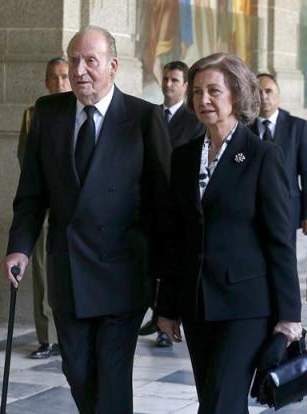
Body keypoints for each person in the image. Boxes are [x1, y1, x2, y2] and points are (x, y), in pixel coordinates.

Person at [1, 26, 170, 414]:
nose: (79, 70)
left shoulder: (143, 118)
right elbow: (32, 193)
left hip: (124, 275)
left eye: (90, 61)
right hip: (69, 273)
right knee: (77, 370)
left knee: (112, 379)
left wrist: (165, 285)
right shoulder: (48, 113)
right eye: (74, 60)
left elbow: (163, 207)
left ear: (112, 67)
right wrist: (19, 247)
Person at [156, 52, 302, 414]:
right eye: (198, 91)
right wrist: (167, 307)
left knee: (219, 403)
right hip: (197, 305)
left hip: (246, 306)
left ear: (236, 95)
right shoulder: (185, 156)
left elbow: (280, 239)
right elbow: (177, 236)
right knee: (216, 400)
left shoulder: (261, 155)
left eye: (214, 91)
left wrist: (289, 316)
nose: (203, 100)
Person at [139, 60, 204, 348]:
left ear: (185, 86)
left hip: (177, 201)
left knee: (171, 262)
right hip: (150, 204)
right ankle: (155, 313)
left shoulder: (194, 121)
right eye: (165, 79)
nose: (167, 84)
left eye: (175, 80)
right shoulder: (150, 114)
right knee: (154, 261)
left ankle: (165, 325)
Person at [17, 57, 71, 359]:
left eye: (64, 76)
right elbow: (26, 159)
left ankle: (67, 332)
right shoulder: (33, 115)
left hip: (71, 208)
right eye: (53, 77)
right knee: (39, 270)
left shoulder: (79, 111)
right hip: (43, 205)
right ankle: (46, 336)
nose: (59, 83)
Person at [249, 73, 307, 248]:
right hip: (251, 211)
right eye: (258, 92)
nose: (263, 96)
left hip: (287, 209)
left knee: (284, 265)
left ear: (278, 96)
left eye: (268, 91)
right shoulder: (245, 130)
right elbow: (239, 161)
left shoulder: (298, 127)